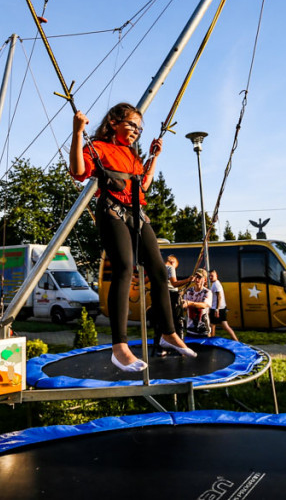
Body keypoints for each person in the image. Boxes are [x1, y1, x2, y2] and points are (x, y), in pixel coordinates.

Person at [71, 103, 195, 371]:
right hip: (112, 211)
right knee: (125, 269)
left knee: (160, 273)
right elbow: (79, 172)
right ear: (114, 122)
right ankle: (120, 347)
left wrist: (154, 157)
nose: (136, 131)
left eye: (139, 128)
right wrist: (77, 132)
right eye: (131, 125)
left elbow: (144, 185)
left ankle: (167, 333)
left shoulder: (133, 155)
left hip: (136, 214)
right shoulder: (98, 147)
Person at [208, 270, 238, 341]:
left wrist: (217, 309)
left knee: (212, 325)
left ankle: (211, 341)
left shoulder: (216, 285)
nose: (210, 277)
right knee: (224, 326)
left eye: (212, 276)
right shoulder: (215, 284)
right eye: (209, 276)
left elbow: (219, 297)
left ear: (216, 276)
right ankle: (236, 340)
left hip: (216, 308)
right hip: (220, 308)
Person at [182, 269, 212, 337]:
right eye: (196, 277)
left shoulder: (207, 292)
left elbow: (204, 305)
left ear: (205, 280)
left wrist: (190, 303)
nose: (197, 279)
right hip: (190, 329)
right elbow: (184, 306)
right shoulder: (188, 291)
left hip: (204, 330)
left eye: (199, 277)